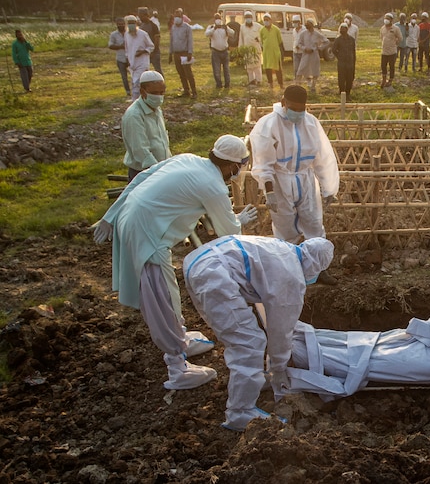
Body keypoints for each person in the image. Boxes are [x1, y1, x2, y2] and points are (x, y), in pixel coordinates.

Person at [92, 135, 259, 391]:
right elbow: (228, 233)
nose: (241, 170)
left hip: (135, 218)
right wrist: (240, 221)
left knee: (168, 292)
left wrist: (112, 214)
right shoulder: (213, 186)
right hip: (147, 235)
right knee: (162, 298)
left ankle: (180, 338)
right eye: (242, 164)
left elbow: (140, 179)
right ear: (231, 165)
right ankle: (177, 367)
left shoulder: (188, 159)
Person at [183, 236, 334, 431]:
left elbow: (268, 306)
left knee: (244, 335)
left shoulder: (282, 249)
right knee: (248, 342)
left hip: (199, 259)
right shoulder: (292, 276)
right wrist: (279, 367)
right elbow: (281, 329)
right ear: (316, 266)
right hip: (215, 273)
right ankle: (239, 412)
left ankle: (252, 379)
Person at [249, 85, 339, 285]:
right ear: (283, 102)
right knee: (285, 229)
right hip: (280, 181)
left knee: (314, 224)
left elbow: (322, 157)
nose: (297, 113)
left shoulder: (311, 123)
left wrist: (328, 186)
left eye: (301, 109)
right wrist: (269, 191)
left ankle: (318, 270)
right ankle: (289, 272)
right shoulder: (269, 125)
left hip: (305, 179)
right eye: (293, 108)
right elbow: (263, 162)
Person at [122, 70, 171, 181]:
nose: (159, 96)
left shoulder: (156, 109)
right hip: (145, 173)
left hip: (160, 169)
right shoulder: (134, 115)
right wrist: (158, 173)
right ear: (142, 92)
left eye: (162, 93)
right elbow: (140, 150)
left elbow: (162, 140)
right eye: (154, 93)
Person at [123, 15, 154, 101]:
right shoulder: (126, 34)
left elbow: (151, 46)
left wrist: (143, 51)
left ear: (136, 23)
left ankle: (135, 100)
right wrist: (127, 59)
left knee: (137, 82)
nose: (131, 25)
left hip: (142, 62)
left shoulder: (143, 34)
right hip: (132, 63)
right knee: (134, 82)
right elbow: (127, 48)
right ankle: (142, 98)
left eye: (133, 23)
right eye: (129, 23)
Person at [169, 9, 196, 98]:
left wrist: (190, 53)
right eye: (175, 17)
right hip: (176, 53)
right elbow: (171, 40)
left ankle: (194, 92)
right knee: (181, 73)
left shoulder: (187, 27)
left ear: (182, 17)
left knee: (188, 73)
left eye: (179, 16)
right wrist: (170, 53)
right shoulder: (173, 27)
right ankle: (186, 90)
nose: (177, 18)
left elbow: (190, 41)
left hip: (184, 53)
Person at [295, 20, 327, 93]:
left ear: (312, 25)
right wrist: (304, 48)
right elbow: (298, 44)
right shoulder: (303, 34)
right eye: (306, 24)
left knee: (315, 70)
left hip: (314, 54)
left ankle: (313, 86)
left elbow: (326, 41)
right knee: (301, 69)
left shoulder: (317, 34)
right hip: (305, 54)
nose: (307, 26)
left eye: (308, 24)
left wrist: (319, 48)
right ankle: (297, 86)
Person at [206, 13, 235, 90]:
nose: (218, 20)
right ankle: (219, 84)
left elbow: (232, 33)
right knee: (216, 69)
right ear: (214, 19)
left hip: (225, 51)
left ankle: (227, 84)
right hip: (215, 52)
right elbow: (206, 34)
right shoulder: (211, 27)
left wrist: (227, 28)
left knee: (226, 69)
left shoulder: (225, 27)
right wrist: (214, 28)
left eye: (219, 18)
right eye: (216, 18)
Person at [238, 11, 263, 86]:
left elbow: (263, 35)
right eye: (246, 17)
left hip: (256, 49)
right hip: (247, 50)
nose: (248, 19)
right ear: (244, 18)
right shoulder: (242, 27)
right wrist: (241, 49)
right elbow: (241, 38)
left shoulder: (258, 26)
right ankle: (251, 81)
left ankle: (259, 80)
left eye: (249, 17)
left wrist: (259, 39)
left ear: (252, 18)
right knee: (249, 67)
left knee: (257, 66)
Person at [332, 23, 356, 101]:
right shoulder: (338, 40)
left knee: (350, 78)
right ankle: (342, 94)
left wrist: (354, 61)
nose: (343, 30)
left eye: (344, 28)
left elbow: (353, 51)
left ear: (347, 29)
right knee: (341, 79)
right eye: (341, 28)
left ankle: (348, 94)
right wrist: (339, 56)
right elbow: (334, 50)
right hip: (342, 63)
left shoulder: (352, 39)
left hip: (350, 63)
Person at [260, 13, 284, 90]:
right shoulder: (262, 30)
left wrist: (281, 53)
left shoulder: (276, 29)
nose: (266, 21)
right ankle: (271, 84)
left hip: (275, 53)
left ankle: (281, 84)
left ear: (270, 20)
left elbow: (280, 42)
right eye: (264, 20)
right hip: (266, 53)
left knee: (278, 70)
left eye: (267, 20)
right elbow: (262, 42)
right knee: (268, 69)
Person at [108, 18, 131, 96]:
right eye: (119, 24)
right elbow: (110, 46)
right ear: (116, 24)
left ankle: (136, 90)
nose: (121, 25)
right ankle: (128, 91)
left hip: (131, 58)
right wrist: (120, 46)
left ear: (125, 24)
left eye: (122, 24)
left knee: (134, 75)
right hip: (120, 58)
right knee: (124, 77)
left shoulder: (129, 33)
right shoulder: (113, 34)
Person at [380, 12, 402, 88]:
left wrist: (395, 44)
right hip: (384, 51)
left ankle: (390, 80)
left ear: (391, 20)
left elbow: (400, 38)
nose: (386, 20)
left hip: (392, 52)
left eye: (388, 19)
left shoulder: (396, 28)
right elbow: (381, 37)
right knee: (383, 66)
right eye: (385, 18)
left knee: (391, 66)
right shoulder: (382, 28)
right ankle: (384, 80)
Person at [138, 8, 162, 74]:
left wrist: (153, 52)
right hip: (145, 53)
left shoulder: (153, 26)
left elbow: (157, 40)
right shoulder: (141, 26)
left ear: (146, 15)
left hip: (154, 53)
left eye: (141, 16)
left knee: (158, 71)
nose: (140, 18)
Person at [12, 29, 34, 93]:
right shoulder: (15, 44)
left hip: (28, 61)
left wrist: (26, 42)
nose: (20, 36)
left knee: (30, 74)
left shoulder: (25, 42)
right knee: (24, 76)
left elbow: (32, 49)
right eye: (18, 35)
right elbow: (14, 54)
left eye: (21, 34)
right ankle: (27, 88)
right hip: (21, 62)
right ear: (16, 36)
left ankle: (27, 86)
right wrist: (17, 62)